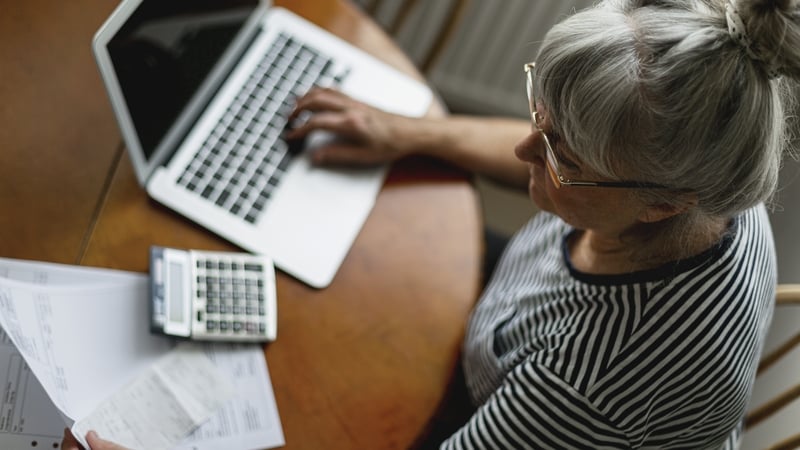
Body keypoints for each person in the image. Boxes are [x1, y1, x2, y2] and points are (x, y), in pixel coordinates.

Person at [63, 0, 798, 448]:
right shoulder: (716, 170)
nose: (520, 152)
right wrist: (406, 132)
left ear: (662, 204)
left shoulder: (594, 382)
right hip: (510, 319)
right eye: (540, 115)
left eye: (559, 157)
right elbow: (561, 151)